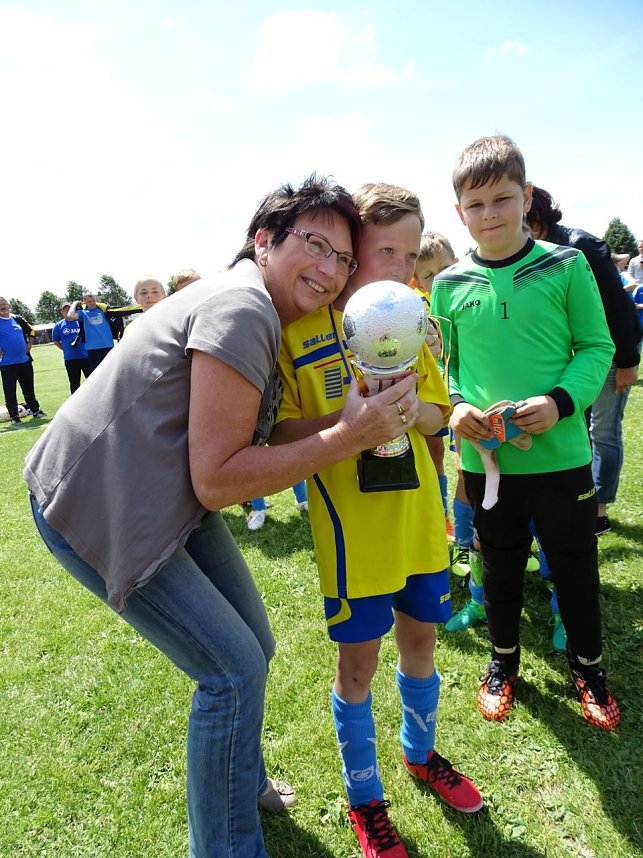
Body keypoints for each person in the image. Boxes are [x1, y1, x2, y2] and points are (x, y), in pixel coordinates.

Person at [23, 174, 426, 858]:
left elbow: (252, 444)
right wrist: (348, 437)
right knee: (231, 670)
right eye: (314, 245)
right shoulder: (242, 308)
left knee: (252, 649)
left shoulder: (261, 310)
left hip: (159, 493)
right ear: (264, 241)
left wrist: (354, 418)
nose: (330, 272)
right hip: (98, 499)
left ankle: (238, 781)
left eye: (343, 260)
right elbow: (217, 481)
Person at [272, 182, 483, 858]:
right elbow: (276, 436)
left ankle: (420, 755)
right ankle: (365, 799)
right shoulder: (300, 331)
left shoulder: (416, 316)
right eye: (382, 251)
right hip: (351, 539)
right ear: (348, 255)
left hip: (419, 524)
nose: (397, 267)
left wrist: (407, 408)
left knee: (421, 646)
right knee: (357, 668)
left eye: (408, 253)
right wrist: (348, 422)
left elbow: (438, 413)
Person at [432, 135, 620, 733]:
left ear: (526, 197)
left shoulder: (566, 265)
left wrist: (559, 401)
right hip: (489, 463)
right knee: (501, 565)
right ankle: (503, 662)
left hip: (562, 456)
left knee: (574, 565)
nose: (490, 215)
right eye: (476, 204)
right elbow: (449, 366)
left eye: (502, 200)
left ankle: (589, 670)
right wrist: (457, 406)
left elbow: (597, 346)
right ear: (459, 210)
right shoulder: (448, 284)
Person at [526, 187, 642, 535]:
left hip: (605, 354)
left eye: (526, 222)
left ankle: (599, 511)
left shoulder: (581, 247)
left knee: (603, 431)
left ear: (538, 216)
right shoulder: (535, 253)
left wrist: (627, 360)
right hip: (570, 360)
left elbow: (616, 307)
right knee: (579, 429)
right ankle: (579, 499)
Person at [410, 232, 458, 540]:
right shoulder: (414, 306)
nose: (438, 279)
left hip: (461, 391)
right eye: (429, 274)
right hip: (429, 394)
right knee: (431, 454)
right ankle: (439, 517)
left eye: (443, 269)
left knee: (460, 458)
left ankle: (470, 526)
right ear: (416, 281)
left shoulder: (471, 291)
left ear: (456, 262)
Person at [67, 290, 141, 371]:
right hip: (92, 348)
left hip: (108, 346)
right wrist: (75, 303)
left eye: (93, 301)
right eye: (89, 301)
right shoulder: (83, 313)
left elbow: (123, 310)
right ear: (84, 302)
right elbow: (70, 316)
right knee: (96, 374)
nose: (92, 303)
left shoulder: (104, 311)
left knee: (112, 372)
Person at [0, 296, 46, 425]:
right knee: (10, 391)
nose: (2, 306)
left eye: (4, 304)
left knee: (29, 389)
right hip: (7, 363)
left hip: (24, 361)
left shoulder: (18, 319)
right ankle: (14, 416)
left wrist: (30, 343)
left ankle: (36, 411)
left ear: (9, 306)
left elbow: (31, 330)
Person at [51, 301, 91, 394]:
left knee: (91, 381)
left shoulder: (80, 322)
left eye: (69, 309)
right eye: (65, 310)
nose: (67, 311)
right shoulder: (58, 326)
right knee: (74, 383)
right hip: (71, 359)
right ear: (61, 311)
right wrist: (65, 349)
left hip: (86, 356)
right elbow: (56, 341)